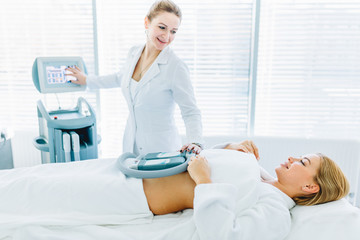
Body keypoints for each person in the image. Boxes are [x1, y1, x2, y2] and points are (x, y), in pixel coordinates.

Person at [65, 0, 203, 156]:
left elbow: (190, 111)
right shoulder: (134, 53)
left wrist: (195, 142)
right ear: (147, 22)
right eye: (162, 27)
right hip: (132, 144)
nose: (167, 36)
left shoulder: (176, 67)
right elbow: (120, 78)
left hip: (163, 149)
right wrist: (87, 80)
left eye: (173, 31)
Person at [142, 140, 350, 240]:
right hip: (147, 168)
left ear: (310, 187)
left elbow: (225, 235)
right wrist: (229, 149)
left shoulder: (276, 212)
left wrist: (203, 179)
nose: (291, 158)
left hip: (141, 194)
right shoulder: (260, 175)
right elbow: (207, 162)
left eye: (302, 162)